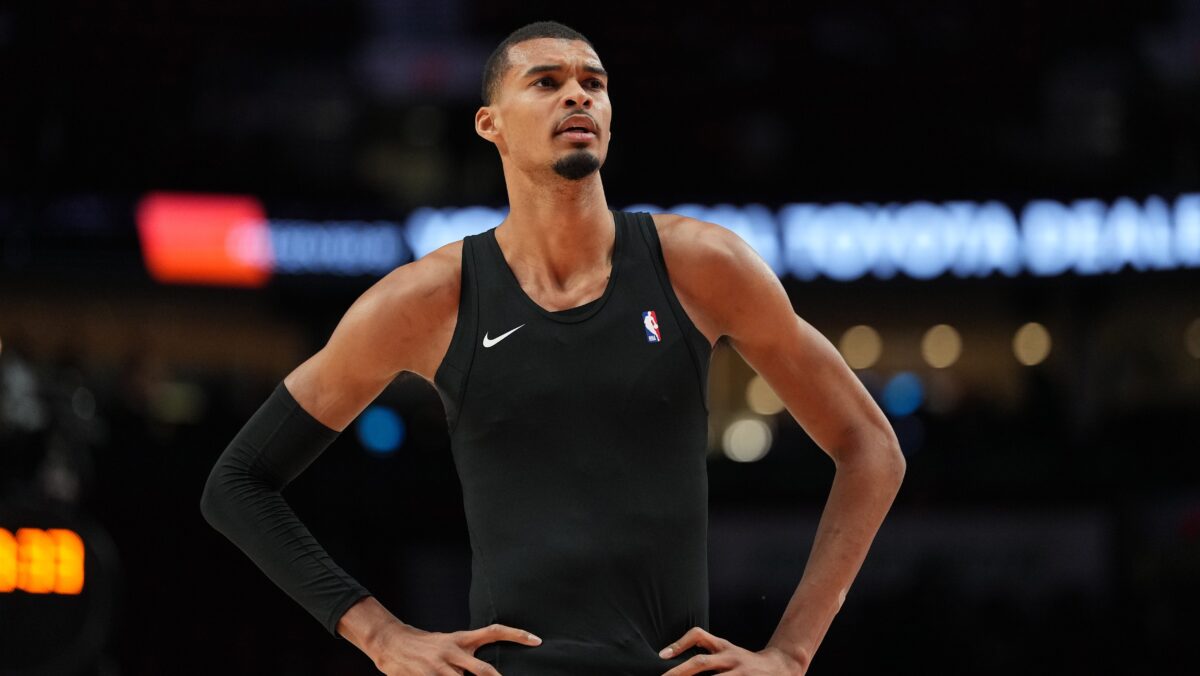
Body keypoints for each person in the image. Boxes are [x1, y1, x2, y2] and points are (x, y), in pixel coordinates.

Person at [201, 20, 905, 676]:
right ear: (490, 124)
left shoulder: (701, 266)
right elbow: (238, 483)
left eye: (593, 83)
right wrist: (380, 636)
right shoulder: (428, 298)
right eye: (546, 81)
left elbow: (871, 447)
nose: (577, 94)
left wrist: (790, 653)